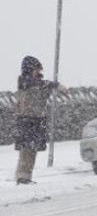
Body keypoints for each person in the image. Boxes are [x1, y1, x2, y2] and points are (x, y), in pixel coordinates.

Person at [14, 56, 59, 185]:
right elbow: (37, 84)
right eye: (36, 69)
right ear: (29, 69)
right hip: (26, 120)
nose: (38, 72)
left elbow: (43, 96)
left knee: (32, 150)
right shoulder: (25, 82)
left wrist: (50, 87)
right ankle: (22, 177)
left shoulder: (38, 83)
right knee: (27, 149)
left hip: (36, 120)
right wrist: (54, 84)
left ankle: (26, 176)